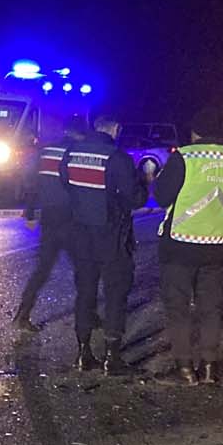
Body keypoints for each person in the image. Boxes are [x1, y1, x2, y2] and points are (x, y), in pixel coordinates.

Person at [151, 108, 223, 384]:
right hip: (214, 249)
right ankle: (209, 367)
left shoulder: (184, 159)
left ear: (194, 132)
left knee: (179, 308)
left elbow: (161, 197)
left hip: (179, 246)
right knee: (211, 309)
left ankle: (184, 369)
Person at [60, 113, 146, 374]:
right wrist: (144, 182)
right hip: (111, 238)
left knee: (85, 292)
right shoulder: (117, 157)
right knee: (115, 294)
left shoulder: (72, 153)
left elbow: (66, 184)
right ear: (116, 128)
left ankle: (83, 353)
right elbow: (135, 199)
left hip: (80, 235)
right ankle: (113, 358)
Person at [11, 117, 81, 333]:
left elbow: (32, 183)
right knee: (85, 269)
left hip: (50, 219)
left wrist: (31, 213)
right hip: (73, 221)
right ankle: (89, 315)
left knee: (42, 270)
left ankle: (23, 315)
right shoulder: (78, 155)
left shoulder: (47, 152)